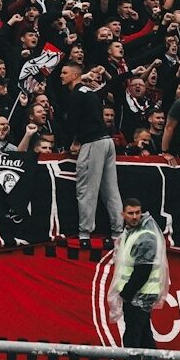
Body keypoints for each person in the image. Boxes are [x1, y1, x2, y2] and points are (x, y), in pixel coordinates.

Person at [105, 199, 169, 360]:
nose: (134, 216)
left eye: (137, 212)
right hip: (140, 294)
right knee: (146, 339)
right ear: (123, 214)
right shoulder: (132, 233)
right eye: (130, 213)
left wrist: (125, 294)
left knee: (132, 339)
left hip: (139, 295)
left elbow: (142, 271)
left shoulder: (145, 236)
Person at [58, 61, 123, 245]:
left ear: (75, 75)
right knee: (111, 190)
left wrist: (67, 144)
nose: (61, 75)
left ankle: (85, 234)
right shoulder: (89, 92)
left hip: (93, 143)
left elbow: (72, 123)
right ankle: (118, 232)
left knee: (87, 189)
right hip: (107, 142)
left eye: (65, 72)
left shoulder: (77, 94)